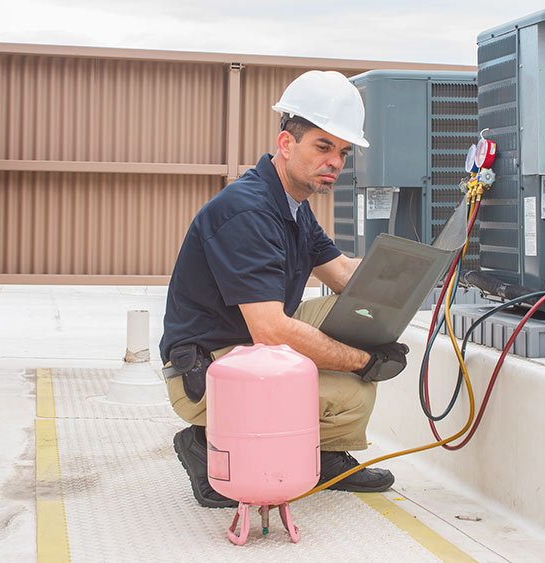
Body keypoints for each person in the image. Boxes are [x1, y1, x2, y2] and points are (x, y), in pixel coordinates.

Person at [160, 70, 410, 508]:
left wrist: (412, 279)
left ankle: (323, 456)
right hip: (206, 370)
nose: (334, 161)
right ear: (286, 143)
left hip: (246, 344)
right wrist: (362, 361)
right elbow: (271, 330)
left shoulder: (292, 207)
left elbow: (344, 278)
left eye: (343, 152)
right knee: (352, 394)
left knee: (358, 318)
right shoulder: (246, 211)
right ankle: (205, 441)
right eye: (323, 146)